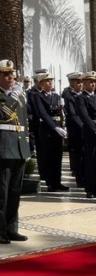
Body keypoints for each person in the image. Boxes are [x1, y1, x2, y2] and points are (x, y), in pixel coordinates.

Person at [0, 59, 31, 243]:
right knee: (1, 195)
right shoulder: (10, 96)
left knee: (14, 193)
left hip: (18, 148)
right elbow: (4, 114)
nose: (10, 77)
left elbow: (24, 121)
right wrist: (14, 95)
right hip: (3, 149)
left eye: (12, 74)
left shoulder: (18, 95)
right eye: (5, 74)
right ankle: (0, 231)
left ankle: (12, 228)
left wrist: (26, 146)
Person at [34, 72, 69, 192]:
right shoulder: (38, 96)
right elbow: (43, 113)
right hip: (47, 130)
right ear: (41, 83)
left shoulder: (56, 96)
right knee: (48, 157)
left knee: (57, 157)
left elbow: (61, 114)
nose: (50, 83)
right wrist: (55, 127)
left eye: (51, 80)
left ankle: (57, 182)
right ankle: (50, 183)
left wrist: (63, 125)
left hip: (58, 129)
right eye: (47, 81)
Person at [63, 72, 85, 187]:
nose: (80, 84)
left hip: (85, 128)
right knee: (77, 154)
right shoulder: (68, 95)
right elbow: (72, 114)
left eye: (81, 82)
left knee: (84, 154)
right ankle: (79, 179)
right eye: (77, 82)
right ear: (71, 83)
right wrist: (84, 125)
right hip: (75, 129)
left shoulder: (82, 95)